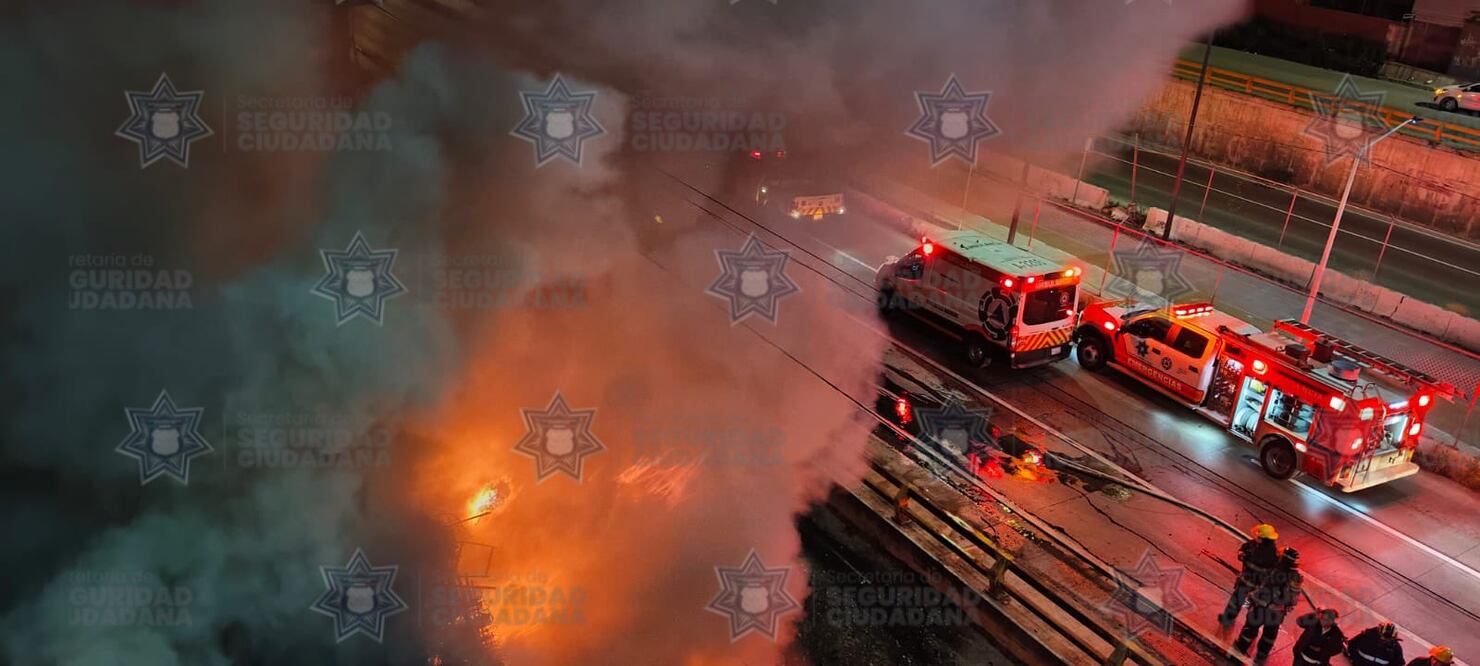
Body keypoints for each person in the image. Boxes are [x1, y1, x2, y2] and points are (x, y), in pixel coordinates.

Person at [1233, 547, 1303, 665]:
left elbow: (1258, 583)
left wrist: (1252, 596)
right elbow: (1293, 598)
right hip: (1276, 612)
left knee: (1249, 630)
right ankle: (1261, 657)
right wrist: (1286, 607)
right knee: (1269, 636)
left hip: (1259, 606)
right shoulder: (1295, 577)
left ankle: (1239, 649)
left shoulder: (1271, 568)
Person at [1218, 523, 1281, 629]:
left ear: (1263, 538)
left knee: (1237, 601)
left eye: (1259, 536)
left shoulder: (1263, 551)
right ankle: (1247, 627)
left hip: (1250, 581)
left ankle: (1229, 620)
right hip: (1256, 584)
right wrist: (1241, 553)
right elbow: (1243, 548)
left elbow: (1253, 562)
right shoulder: (1266, 549)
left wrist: (1244, 557)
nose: (1257, 537)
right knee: (1250, 605)